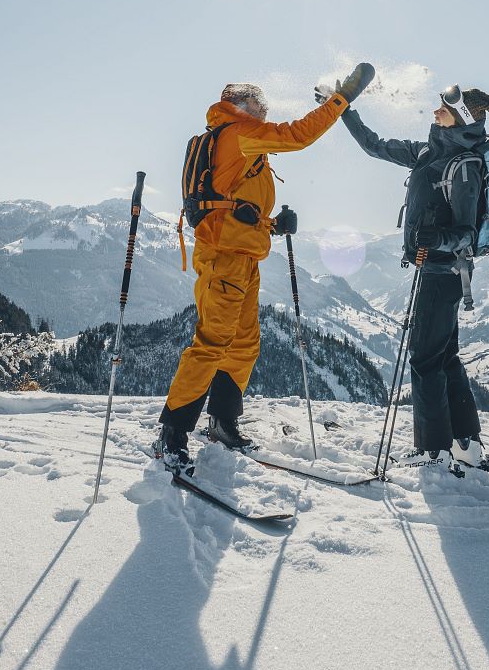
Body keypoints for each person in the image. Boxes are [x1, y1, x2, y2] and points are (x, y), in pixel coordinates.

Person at [155, 63, 375, 472]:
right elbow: (298, 135)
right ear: (240, 104)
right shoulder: (238, 133)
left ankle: (222, 423)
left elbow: (237, 206)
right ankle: (172, 432)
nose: (266, 114)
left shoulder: (237, 140)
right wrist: (340, 100)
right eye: (261, 106)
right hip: (224, 258)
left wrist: (272, 224)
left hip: (242, 256)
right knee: (211, 343)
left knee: (242, 345)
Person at [335, 82, 489, 471]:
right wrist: (341, 109)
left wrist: (436, 237)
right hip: (435, 269)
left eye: (442, 108)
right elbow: (375, 145)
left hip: (443, 273)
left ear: (460, 117)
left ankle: (433, 450)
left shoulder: (465, 166)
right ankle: (465, 446)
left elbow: (467, 236)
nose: (434, 111)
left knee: (425, 359)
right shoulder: (429, 153)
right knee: (445, 358)